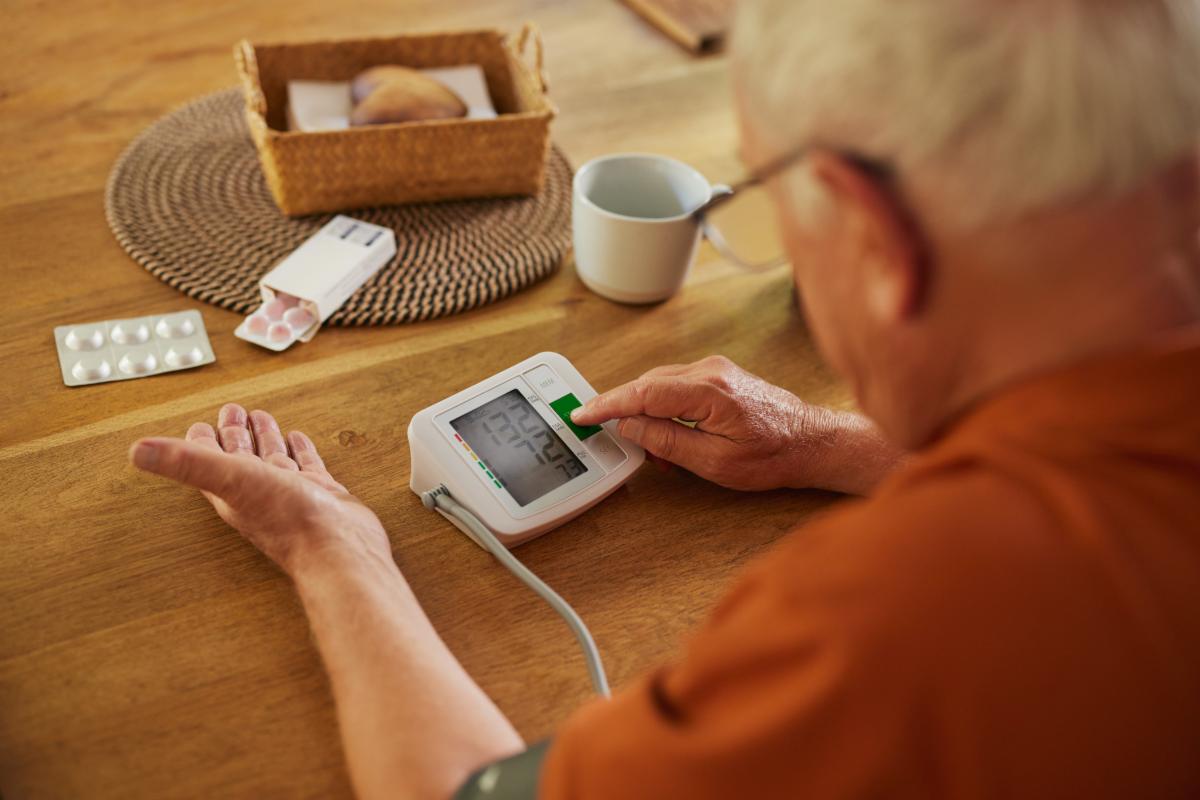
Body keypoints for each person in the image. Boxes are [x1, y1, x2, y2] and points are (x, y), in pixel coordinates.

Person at [129, 0, 1200, 796]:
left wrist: (335, 551)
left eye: (777, 201)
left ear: (871, 236)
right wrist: (832, 443)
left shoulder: (905, 616)